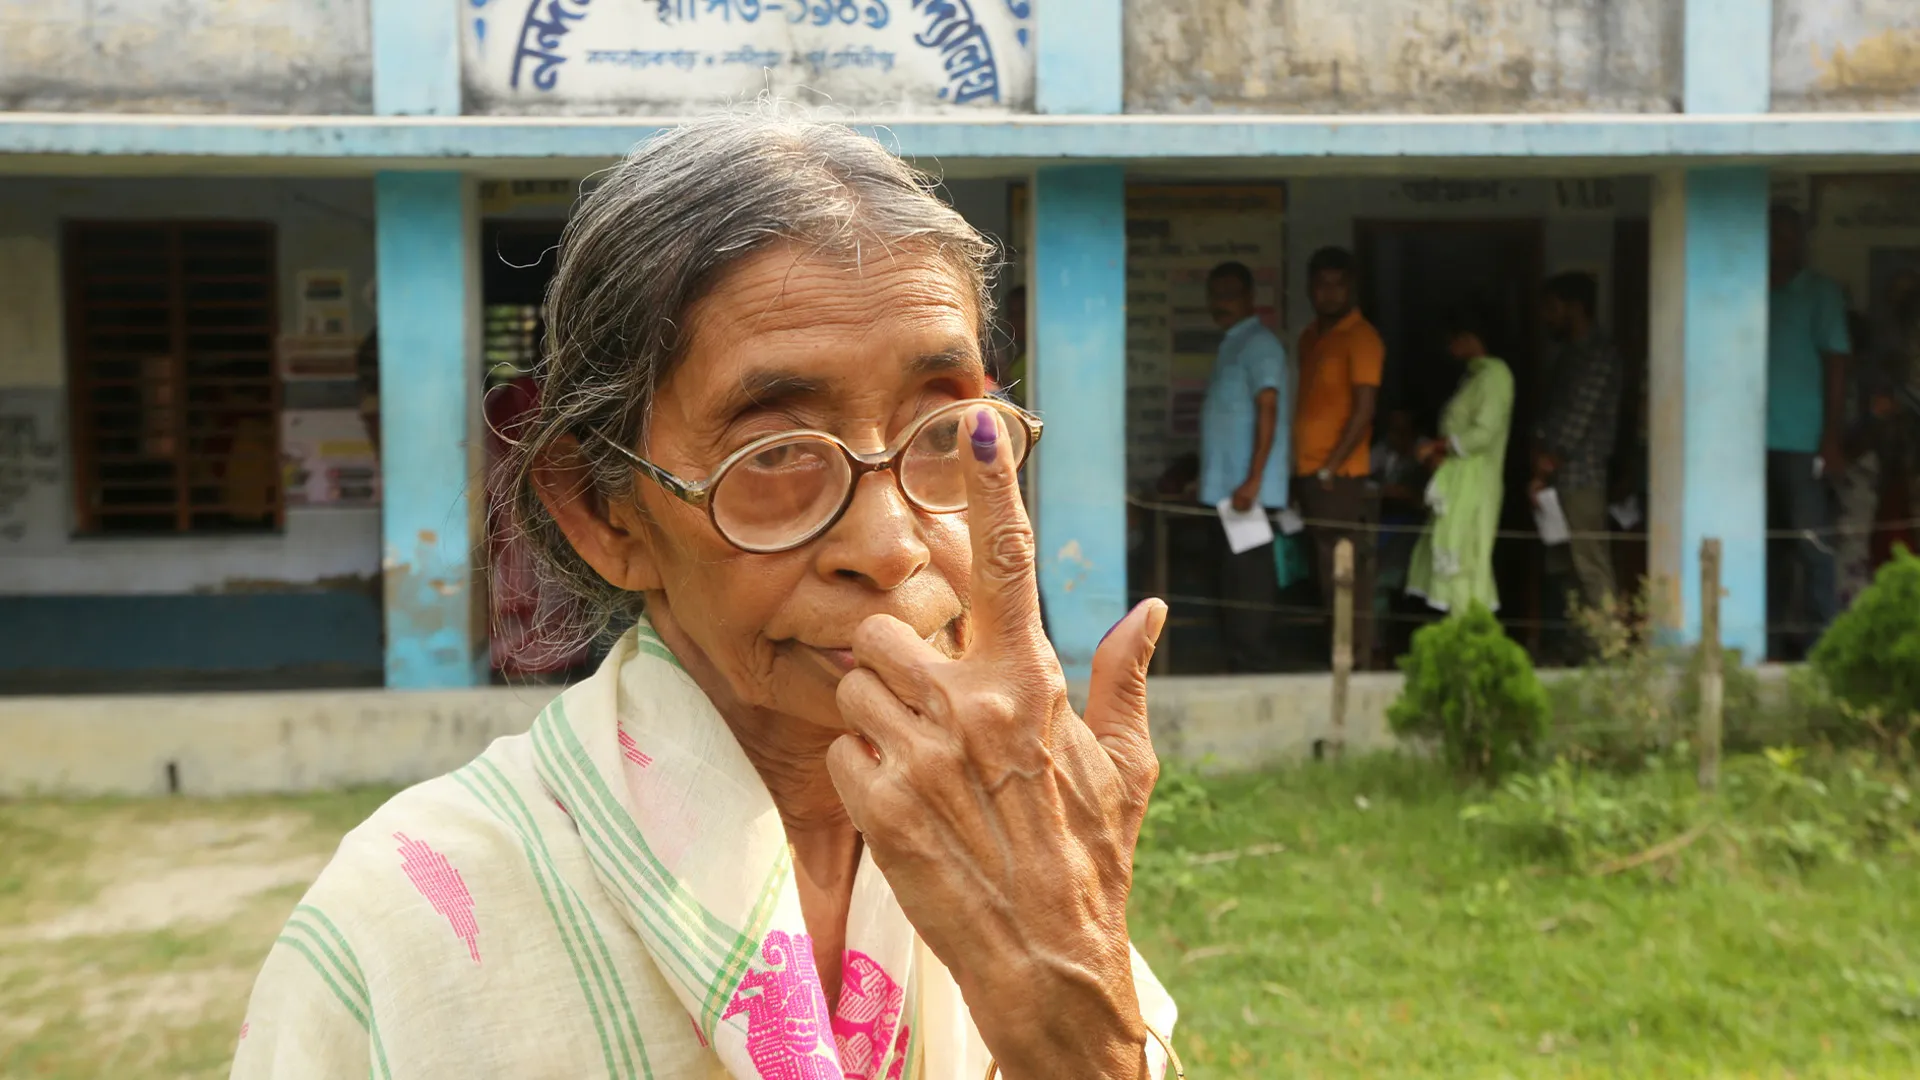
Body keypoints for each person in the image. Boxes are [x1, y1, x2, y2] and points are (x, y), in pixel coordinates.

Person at [233, 112, 1178, 1080]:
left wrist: (1075, 994)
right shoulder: (404, 927)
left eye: (945, 431)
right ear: (607, 514)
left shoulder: (1024, 858)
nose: (891, 547)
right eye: (774, 456)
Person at [1197, 260, 1291, 673]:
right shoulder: (1233, 342)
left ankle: (1254, 661)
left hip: (1248, 494)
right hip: (1226, 493)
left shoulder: (1260, 345)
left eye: (1231, 294)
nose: (1222, 303)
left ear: (1251, 297)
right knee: (1229, 579)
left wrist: (1254, 478)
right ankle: (1237, 655)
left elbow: (1268, 408)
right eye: (1216, 295)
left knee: (1249, 582)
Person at [1767, 204, 1851, 655]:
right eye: (1774, 235)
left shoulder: (1821, 292)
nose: (1781, 243)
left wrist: (1831, 439)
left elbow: (1837, 363)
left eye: (1787, 235)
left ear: (1800, 241)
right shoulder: (1749, 288)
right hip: (1751, 443)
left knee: (1812, 546)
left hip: (1804, 443)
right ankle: (1768, 646)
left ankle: (1825, 647)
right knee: (1768, 550)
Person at [1294, 246, 1383, 668]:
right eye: (1321, 284)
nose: (1328, 293)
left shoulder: (1362, 337)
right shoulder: (1310, 337)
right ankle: (1336, 652)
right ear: (1310, 289)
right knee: (1322, 569)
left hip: (1339, 475)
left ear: (1351, 288)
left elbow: (1365, 410)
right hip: (1309, 471)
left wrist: (1331, 465)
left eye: (1337, 284)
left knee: (1344, 569)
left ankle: (1354, 657)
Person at [1407, 305, 1516, 615]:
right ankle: (1456, 632)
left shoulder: (1495, 375)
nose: (1448, 348)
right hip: (1458, 480)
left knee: (1468, 557)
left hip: (1476, 481)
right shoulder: (1474, 376)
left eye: (1452, 340)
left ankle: (1471, 633)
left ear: (1469, 338)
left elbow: (1482, 434)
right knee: (1451, 553)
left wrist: (1437, 446)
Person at [1531, 271, 1622, 622]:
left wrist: (1543, 465)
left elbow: (1574, 422)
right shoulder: (1569, 355)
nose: (1547, 317)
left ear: (1575, 308)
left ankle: (1608, 651)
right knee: (1563, 568)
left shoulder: (1599, 355)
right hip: (1558, 480)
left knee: (1590, 566)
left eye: (1552, 308)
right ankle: (1579, 647)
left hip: (1581, 478)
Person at [1369, 408, 1428, 661]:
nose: (1395, 437)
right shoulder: (1383, 451)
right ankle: (1377, 646)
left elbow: (1424, 499)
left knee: (1385, 580)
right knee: (1375, 582)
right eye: (1391, 430)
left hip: (1416, 530)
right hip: (1384, 526)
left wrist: (1401, 493)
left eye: (1401, 431)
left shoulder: (1425, 451)